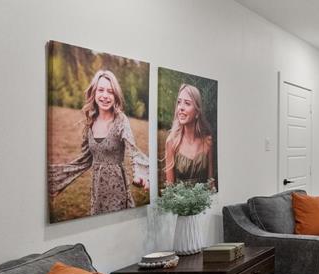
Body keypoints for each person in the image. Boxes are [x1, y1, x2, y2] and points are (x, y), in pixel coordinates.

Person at [49, 69, 150, 215]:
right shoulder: (90, 121)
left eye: (110, 91)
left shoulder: (120, 120)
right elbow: (84, 160)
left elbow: (132, 149)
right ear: (94, 93)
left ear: (115, 96)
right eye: (101, 90)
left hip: (118, 190)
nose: (105, 96)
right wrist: (57, 182)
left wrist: (141, 173)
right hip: (97, 192)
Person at [163, 83, 215, 189]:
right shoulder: (172, 142)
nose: (181, 108)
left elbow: (211, 184)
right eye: (179, 102)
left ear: (197, 112)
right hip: (180, 204)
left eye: (187, 103)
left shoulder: (208, 142)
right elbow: (170, 188)